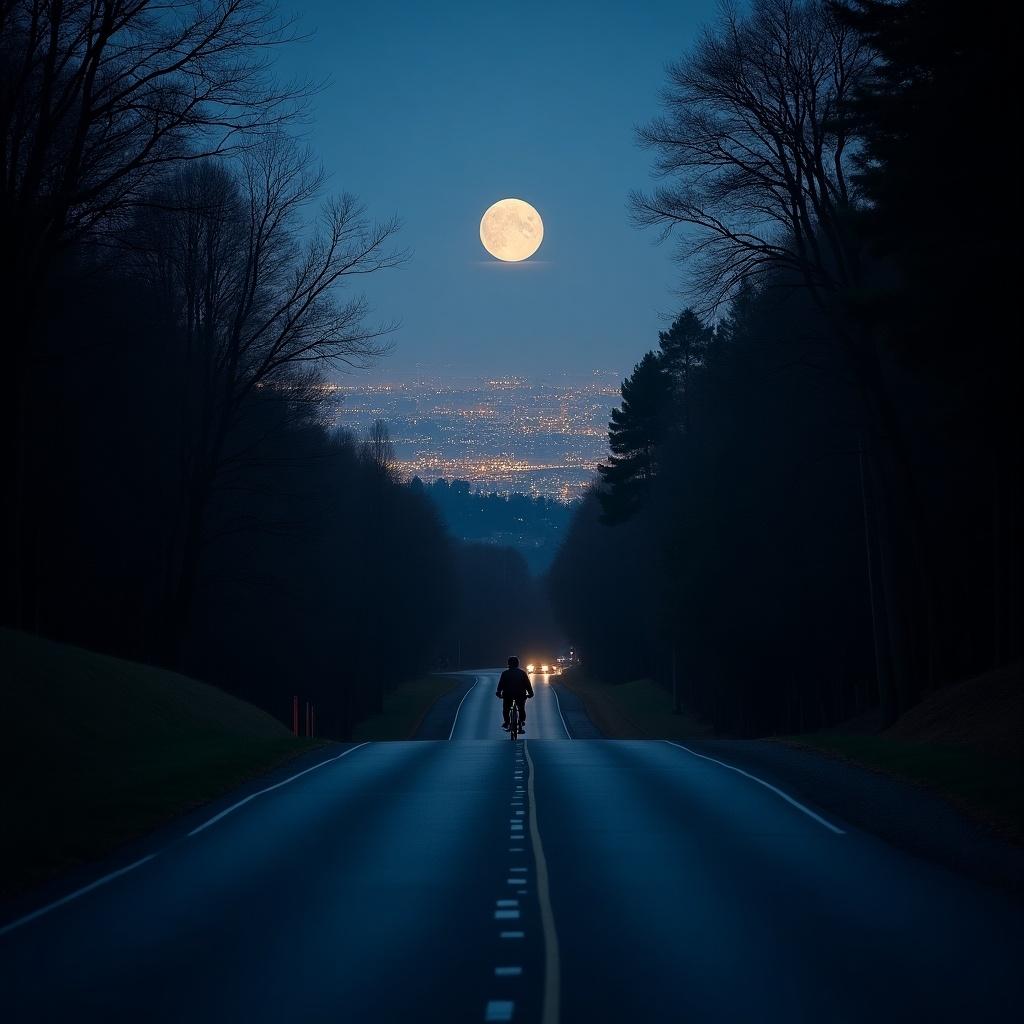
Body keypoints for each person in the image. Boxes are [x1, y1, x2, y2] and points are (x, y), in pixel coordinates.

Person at [497, 656, 534, 732]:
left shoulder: (505, 673)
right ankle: (521, 722)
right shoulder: (522, 673)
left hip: (508, 695)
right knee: (521, 708)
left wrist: (498, 692)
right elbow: (527, 684)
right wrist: (530, 693)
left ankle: (507, 722)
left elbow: (501, 684)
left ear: (508, 664)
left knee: (506, 709)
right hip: (520, 695)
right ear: (518, 664)